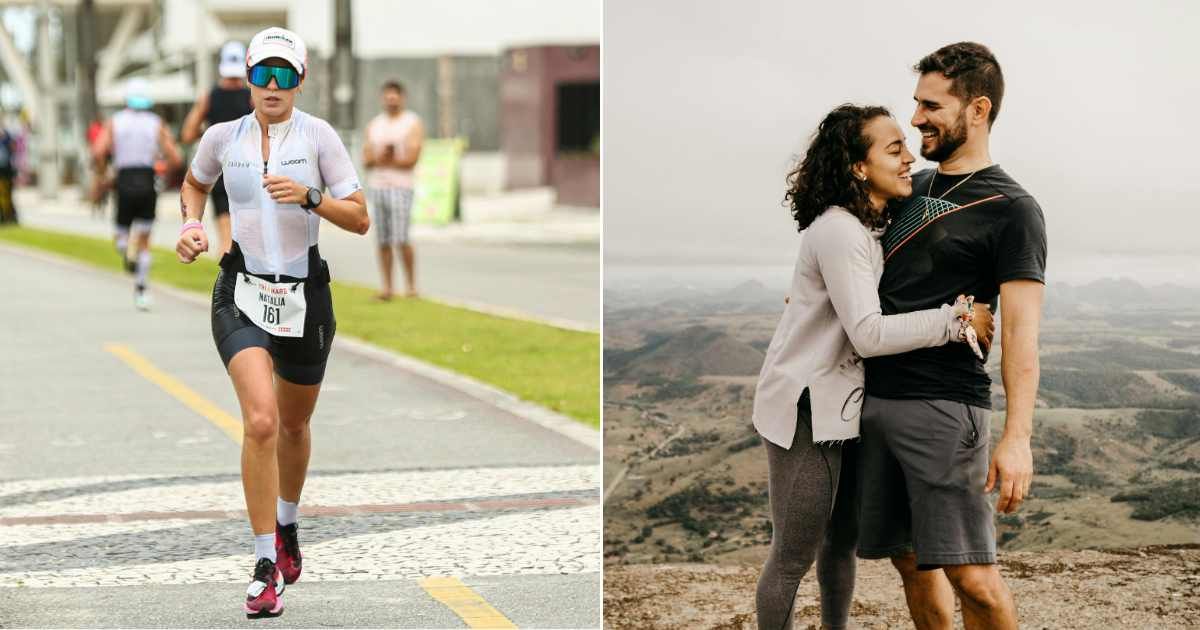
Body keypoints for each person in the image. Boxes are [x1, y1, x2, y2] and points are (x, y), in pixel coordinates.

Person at [752, 104, 994, 630]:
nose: (909, 158)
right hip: (805, 409)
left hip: (842, 407)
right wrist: (955, 321)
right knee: (793, 555)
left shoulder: (867, 226)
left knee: (840, 543)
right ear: (859, 167)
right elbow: (869, 332)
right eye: (894, 149)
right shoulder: (840, 231)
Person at [175, 27, 368, 619]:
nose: (273, 86)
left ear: (300, 80)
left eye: (285, 75)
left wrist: (310, 197)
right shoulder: (221, 137)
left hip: (305, 296)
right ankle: (264, 565)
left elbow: (359, 218)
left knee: (293, 425)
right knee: (260, 420)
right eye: (264, 74)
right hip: (241, 290)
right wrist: (191, 225)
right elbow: (194, 184)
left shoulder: (319, 136)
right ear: (249, 80)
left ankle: (287, 523)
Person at [858, 42, 1046, 630]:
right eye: (916, 103)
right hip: (872, 400)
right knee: (911, 561)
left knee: (974, 579)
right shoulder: (907, 188)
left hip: (945, 408)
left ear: (978, 109)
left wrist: (1017, 437)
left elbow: (1021, 332)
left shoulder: (1012, 208)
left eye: (931, 105)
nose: (916, 118)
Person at [92, 78, 183, 310]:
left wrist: (103, 175)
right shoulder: (156, 123)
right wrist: (163, 174)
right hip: (147, 180)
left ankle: (126, 250)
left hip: (123, 180)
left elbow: (98, 151)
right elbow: (176, 158)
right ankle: (142, 290)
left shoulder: (115, 122)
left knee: (121, 235)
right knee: (144, 240)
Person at [181, 40, 255, 254]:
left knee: (225, 236)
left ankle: (226, 268)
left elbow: (187, 134)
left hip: (221, 169)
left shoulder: (209, 97)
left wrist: (211, 133)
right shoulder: (252, 97)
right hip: (249, 168)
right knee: (249, 237)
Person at [363, 80, 424, 299]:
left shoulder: (412, 123)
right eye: (387, 97)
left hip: (401, 188)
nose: (391, 101)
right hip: (378, 187)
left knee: (401, 238)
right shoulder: (375, 125)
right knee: (383, 240)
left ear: (402, 98)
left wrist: (388, 158)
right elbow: (366, 160)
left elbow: (412, 159)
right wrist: (381, 157)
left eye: (395, 97)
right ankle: (387, 287)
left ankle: (411, 286)